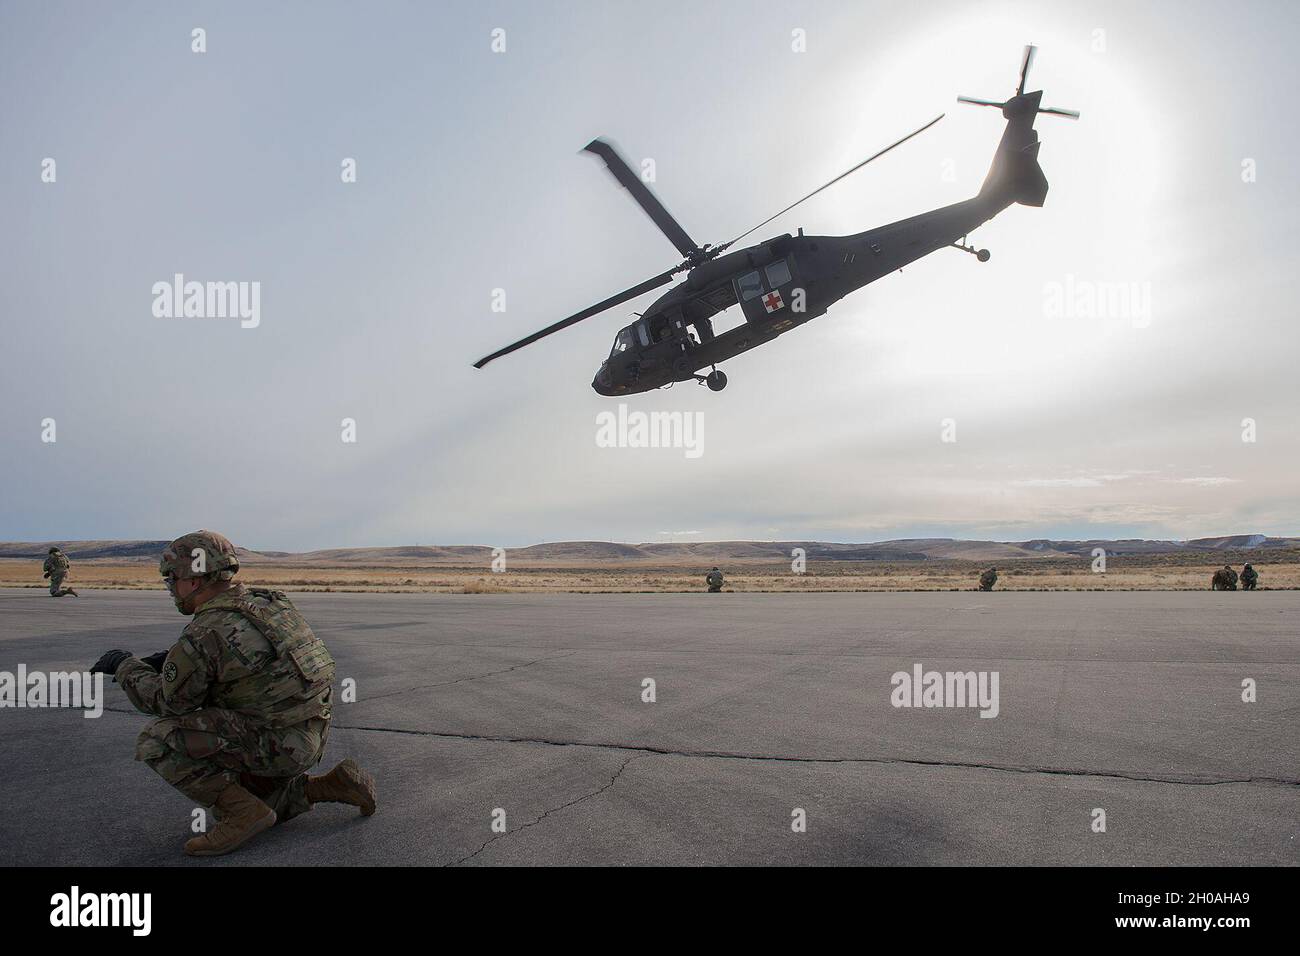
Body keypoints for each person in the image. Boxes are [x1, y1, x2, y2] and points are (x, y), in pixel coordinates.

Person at [89, 530, 376, 857]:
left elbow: (167, 702)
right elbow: (245, 655)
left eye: (172, 578)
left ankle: (243, 814)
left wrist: (126, 666)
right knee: (266, 804)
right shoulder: (270, 602)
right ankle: (330, 785)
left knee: (157, 740)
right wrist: (171, 657)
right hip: (309, 735)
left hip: (278, 744)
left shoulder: (206, 629)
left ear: (194, 580)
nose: (170, 588)